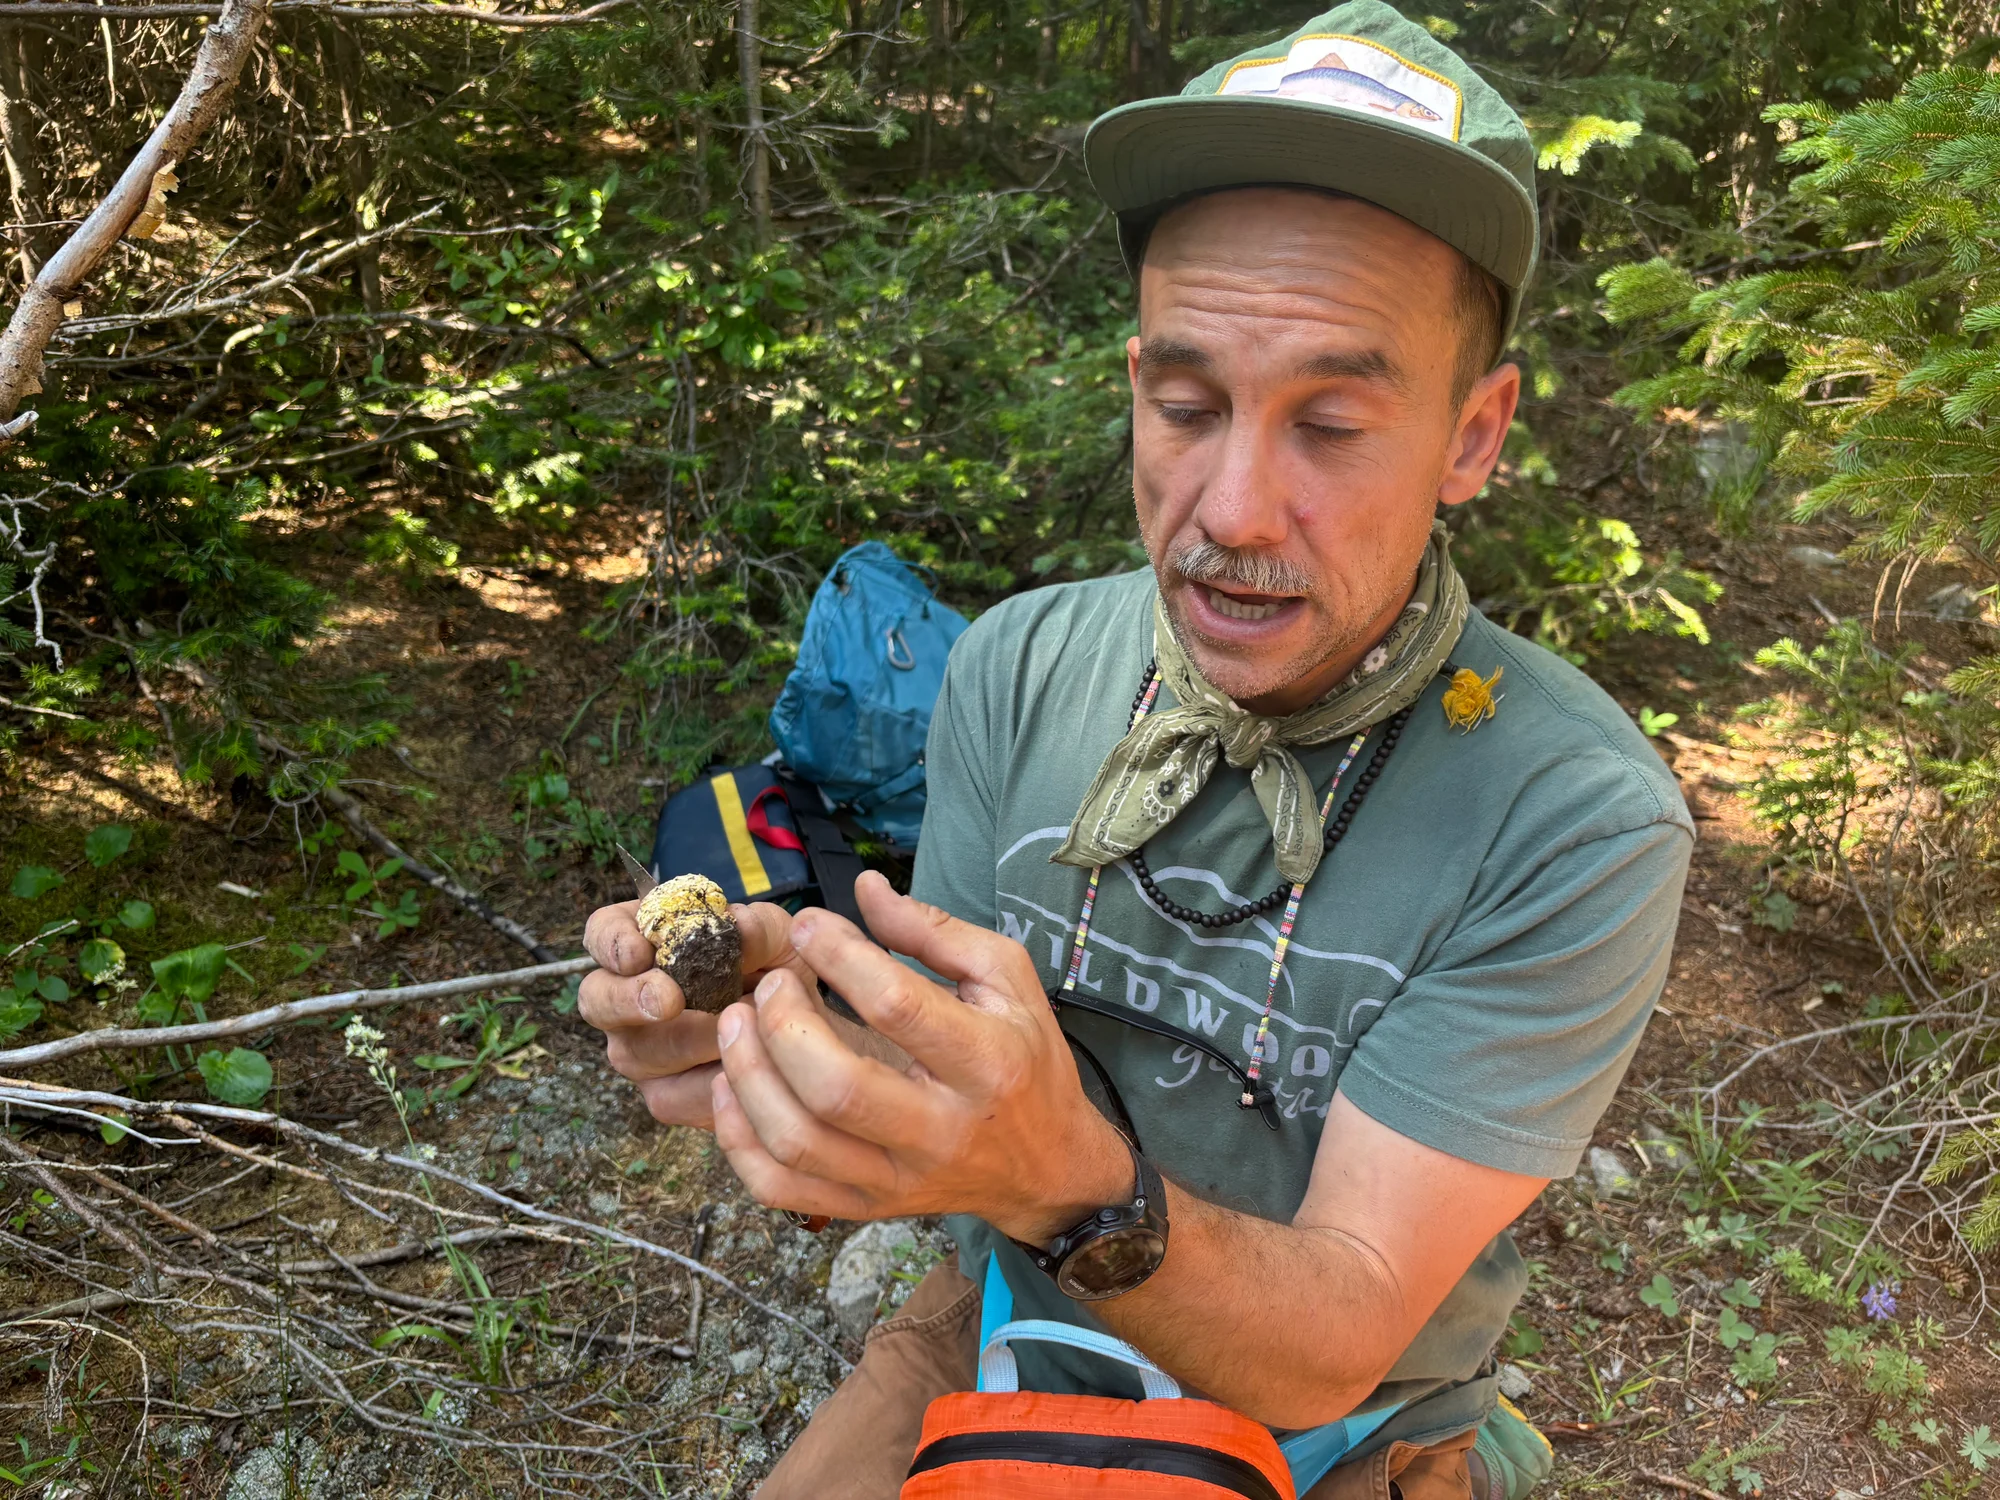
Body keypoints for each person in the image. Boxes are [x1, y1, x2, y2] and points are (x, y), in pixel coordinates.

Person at [579, 4, 1693, 1496]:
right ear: (1134, 389)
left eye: (1334, 423)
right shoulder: (1025, 667)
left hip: (1340, 1423)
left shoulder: (1570, 817)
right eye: (1187, 404)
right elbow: (956, 1057)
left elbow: (1341, 1331)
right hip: (1009, 1327)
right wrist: (784, 1041)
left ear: (1474, 436)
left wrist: (1059, 1178)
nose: (1232, 508)